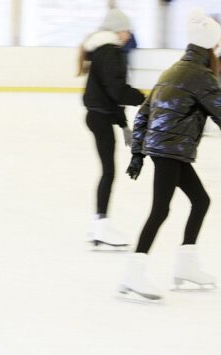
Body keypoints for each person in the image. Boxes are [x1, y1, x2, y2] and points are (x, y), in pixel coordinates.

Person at [120, 10, 221, 302]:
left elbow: (143, 114)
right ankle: (133, 272)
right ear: (212, 47)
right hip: (170, 149)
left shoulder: (172, 70)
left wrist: (138, 153)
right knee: (160, 210)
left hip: (164, 147)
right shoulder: (201, 75)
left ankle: (185, 266)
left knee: (200, 200)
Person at [78, 8, 145, 250]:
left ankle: (99, 221)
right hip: (100, 118)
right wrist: (145, 99)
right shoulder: (110, 52)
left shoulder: (105, 51)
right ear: (118, 30)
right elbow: (117, 90)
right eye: (127, 30)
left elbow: (111, 94)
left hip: (101, 116)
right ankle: (100, 223)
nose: (129, 35)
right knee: (108, 172)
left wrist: (124, 124)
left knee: (108, 171)